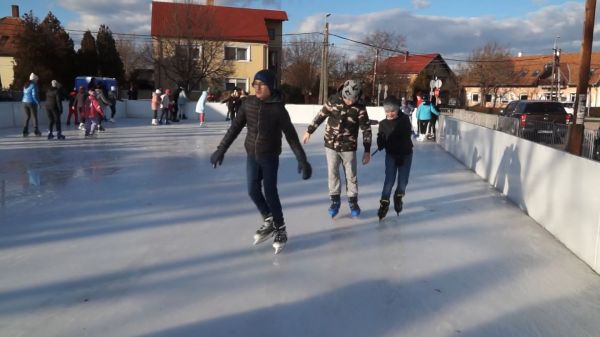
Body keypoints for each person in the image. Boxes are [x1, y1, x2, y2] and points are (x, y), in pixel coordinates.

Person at [210, 69, 312, 254]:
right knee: (252, 190)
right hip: (252, 154)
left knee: (270, 191)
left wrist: (302, 160)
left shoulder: (279, 109)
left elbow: (291, 137)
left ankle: (281, 229)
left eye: (261, 84)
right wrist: (221, 149)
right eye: (254, 84)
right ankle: (269, 219)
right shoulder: (248, 104)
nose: (256, 87)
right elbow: (234, 129)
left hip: (270, 155)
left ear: (270, 87)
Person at [302, 79, 372, 218]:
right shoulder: (333, 100)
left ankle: (353, 201)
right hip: (331, 145)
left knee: (351, 175)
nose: (349, 101)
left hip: (349, 146)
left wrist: (367, 150)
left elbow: (366, 129)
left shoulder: (360, 107)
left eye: (352, 99)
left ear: (357, 97)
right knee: (333, 173)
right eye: (347, 98)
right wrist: (309, 130)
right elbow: (321, 115)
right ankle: (335, 201)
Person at [375, 96, 413, 220]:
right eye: (387, 111)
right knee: (389, 181)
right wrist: (380, 141)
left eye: (393, 110)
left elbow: (405, 137)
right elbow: (382, 137)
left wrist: (400, 154)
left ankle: (398, 196)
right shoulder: (383, 124)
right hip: (391, 155)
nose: (390, 113)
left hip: (405, 154)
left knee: (403, 182)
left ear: (398, 109)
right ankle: (384, 203)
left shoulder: (404, 120)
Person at [22, 72, 41, 137]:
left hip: (24, 102)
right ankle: (36, 131)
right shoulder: (34, 85)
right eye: (36, 79)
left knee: (27, 116)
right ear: (34, 79)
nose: (37, 81)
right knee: (34, 117)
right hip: (32, 103)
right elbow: (34, 95)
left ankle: (25, 131)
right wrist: (38, 103)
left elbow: (24, 94)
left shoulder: (25, 85)